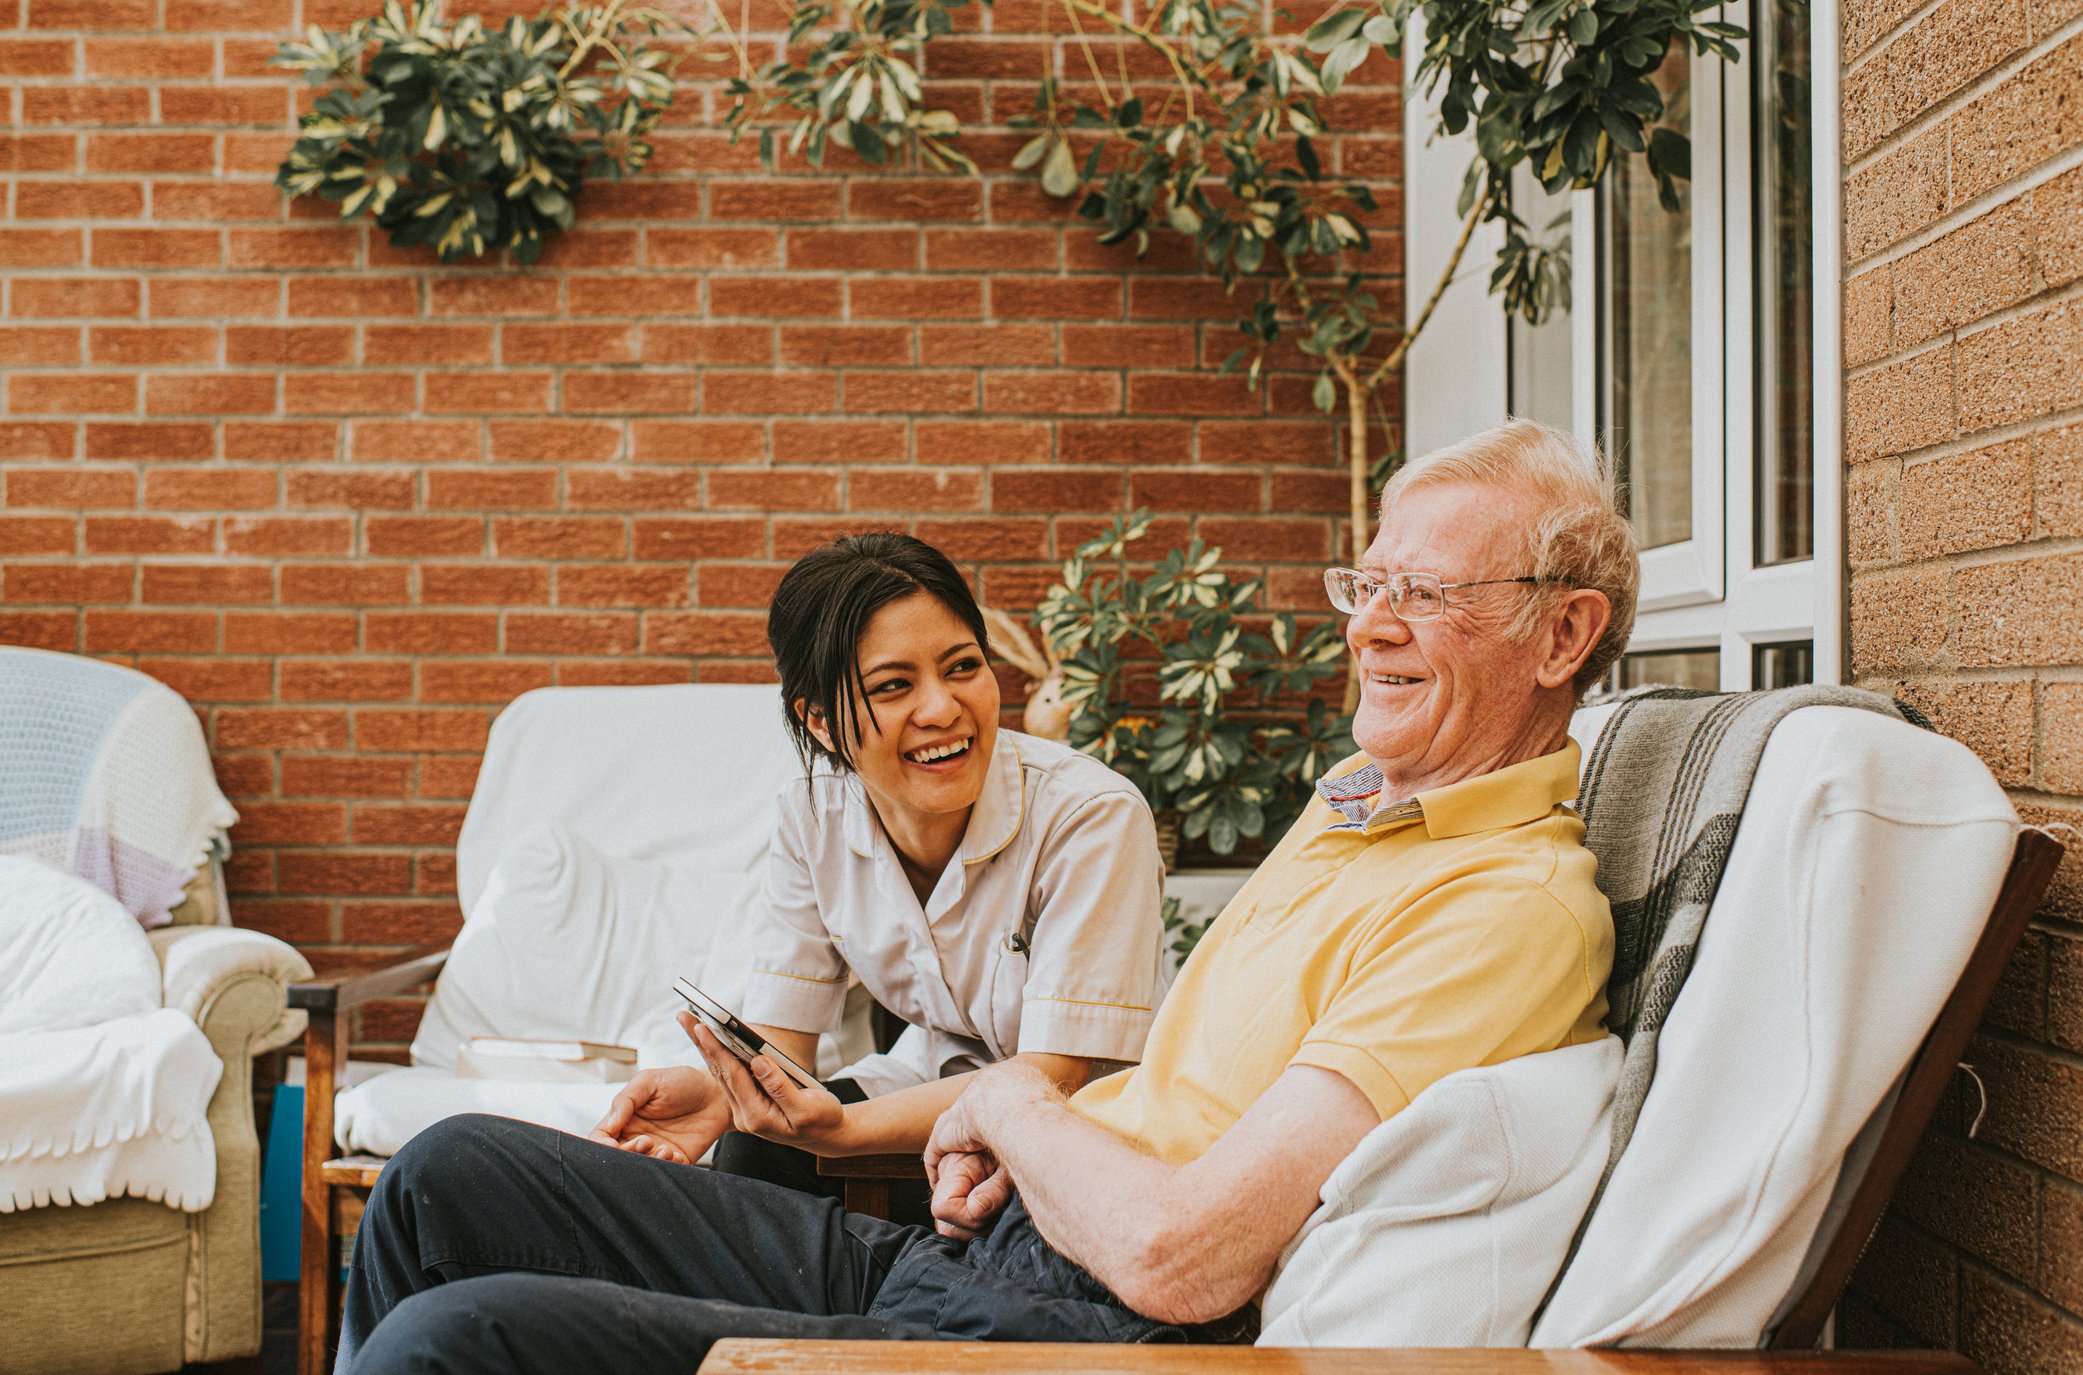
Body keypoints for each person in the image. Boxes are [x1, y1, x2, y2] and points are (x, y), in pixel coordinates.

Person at [336, 419, 1642, 1375]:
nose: (1368, 627)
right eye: (1367, 587)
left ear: (1563, 634)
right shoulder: (1363, 800)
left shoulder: (1504, 901)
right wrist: (989, 1136)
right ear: (826, 721)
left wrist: (1007, 1104)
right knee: (450, 1170)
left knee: (459, 1340)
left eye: (1424, 593)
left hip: (1061, 1325)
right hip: (975, 1243)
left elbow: (1185, 1252)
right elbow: (1154, 1095)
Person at [604, 531, 1167, 1206]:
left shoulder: (1090, 815)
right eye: (894, 685)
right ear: (819, 721)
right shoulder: (814, 816)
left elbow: (1057, 1075)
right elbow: (787, 1050)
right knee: (759, 1147)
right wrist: (727, 1098)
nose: (942, 708)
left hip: (1079, 1136)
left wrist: (844, 1129)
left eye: (962, 667)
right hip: (932, 1096)